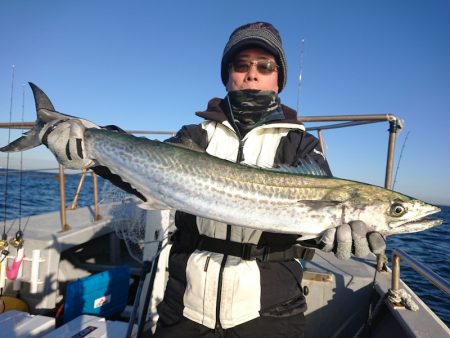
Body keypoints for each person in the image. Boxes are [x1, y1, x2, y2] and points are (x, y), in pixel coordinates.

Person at [41, 22, 386, 338]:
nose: (252, 74)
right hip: (185, 306)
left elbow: (311, 230)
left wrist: (332, 238)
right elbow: (147, 179)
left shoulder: (301, 146)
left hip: (271, 314)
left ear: (278, 79)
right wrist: (90, 152)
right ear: (227, 77)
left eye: (265, 66)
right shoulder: (194, 136)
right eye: (241, 65)